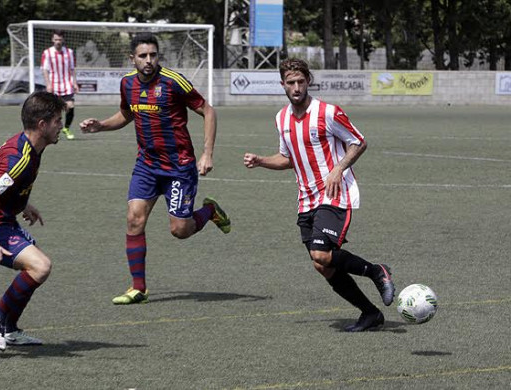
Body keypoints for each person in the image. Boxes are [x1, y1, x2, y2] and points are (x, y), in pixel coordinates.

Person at [243, 58, 395, 332]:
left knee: (321, 253)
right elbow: (287, 158)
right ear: (283, 85)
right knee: (322, 265)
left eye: (301, 81)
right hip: (306, 199)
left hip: (335, 193)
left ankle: (376, 271)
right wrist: (261, 160)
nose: (297, 87)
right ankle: (370, 313)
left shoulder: (327, 112)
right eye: (291, 83)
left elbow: (359, 142)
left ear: (308, 81)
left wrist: (338, 169)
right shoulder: (281, 118)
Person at [80, 33, 230, 305]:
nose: (149, 60)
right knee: (134, 219)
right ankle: (138, 288)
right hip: (147, 165)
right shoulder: (127, 84)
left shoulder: (174, 82)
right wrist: (101, 125)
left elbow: (208, 111)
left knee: (180, 231)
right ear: (132, 59)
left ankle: (210, 211)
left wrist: (207, 153)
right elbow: (126, 114)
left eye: (153, 55)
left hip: (179, 167)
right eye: (143, 56)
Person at [0, 92, 66, 351]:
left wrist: (23, 204)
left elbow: (5, 186)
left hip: (4, 219)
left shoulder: (31, 148)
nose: (61, 126)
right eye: (57, 121)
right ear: (42, 125)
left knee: (36, 268)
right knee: (40, 266)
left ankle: (10, 329)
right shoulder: (18, 159)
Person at [41, 30, 79, 140]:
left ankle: (66, 128)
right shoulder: (47, 53)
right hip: (54, 85)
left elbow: (72, 69)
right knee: (52, 111)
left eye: (60, 39)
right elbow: (45, 70)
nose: (58, 41)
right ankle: (49, 131)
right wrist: (48, 84)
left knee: (70, 106)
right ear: (52, 40)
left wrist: (75, 83)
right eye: (56, 39)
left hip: (67, 84)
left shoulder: (69, 52)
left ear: (63, 40)